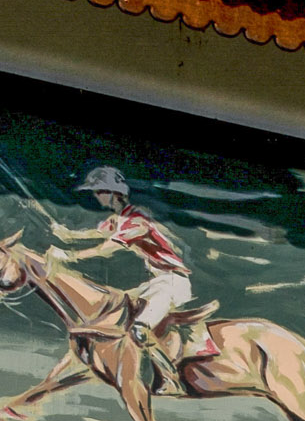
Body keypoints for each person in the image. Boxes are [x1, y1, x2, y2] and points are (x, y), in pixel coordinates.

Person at [43, 163, 198, 381]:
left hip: (173, 282)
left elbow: (107, 248)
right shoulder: (117, 220)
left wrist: (69, 256)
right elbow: (92, 235)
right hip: (157, 283)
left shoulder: (137, 220)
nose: (96, 197)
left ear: (114, 193)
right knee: (117, 314)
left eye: (98, 192)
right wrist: (66, 235)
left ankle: (169, 377)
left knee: (139, 329)